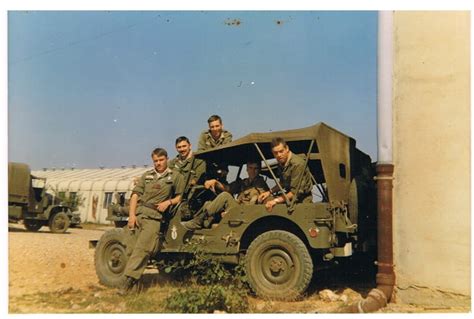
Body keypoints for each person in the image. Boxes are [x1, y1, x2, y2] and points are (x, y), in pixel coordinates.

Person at [119, 147, 184, 295]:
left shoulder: (175, 176)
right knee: (130, 248)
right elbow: (135, 195)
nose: (158, 163)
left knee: (142, 250)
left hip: (154, 218)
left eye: (161, 160)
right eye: (155, 161)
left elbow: (180, 197)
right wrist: (132, 215)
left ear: (167, 159)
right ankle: (136, 285)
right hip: (139, 215)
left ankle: (126, 283)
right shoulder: (147, 175)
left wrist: (168, 203)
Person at [182, 161, 270, 230]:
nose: (253, 171)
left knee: (225, 196)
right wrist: (216, 182)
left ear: (259, 170)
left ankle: (198, 221)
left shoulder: (260, 184)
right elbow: (228, 188)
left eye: (256, 168)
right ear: (247, 169)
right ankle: (201, 220)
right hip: (238, 209)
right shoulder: (244, 182)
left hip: (245, 213)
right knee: (208, 203)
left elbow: (256, 201)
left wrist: (230, 212)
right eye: (250, 168)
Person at [258, 137, 314, 212]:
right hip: (289, 197)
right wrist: (269, 192)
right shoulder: (282, 162)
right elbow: (282, 183)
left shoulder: (297, 164)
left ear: (287, 148)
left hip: (302, 201)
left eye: (281, 151)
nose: (279, 155)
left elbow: (295, 193)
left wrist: (275, 201)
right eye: (275, 153)